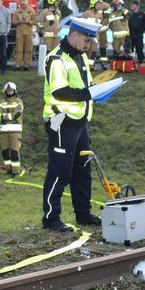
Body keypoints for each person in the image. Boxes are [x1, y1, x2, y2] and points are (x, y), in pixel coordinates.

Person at [42, 17, 100, 231]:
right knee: (60, 172)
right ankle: (50, 219)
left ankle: (83, 214)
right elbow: (59, 92)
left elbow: (85, 84)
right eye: (86, 40)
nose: (89, 45)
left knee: (82, 171)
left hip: (80, 121)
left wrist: (97, 89)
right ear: (74, 35)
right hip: (61, 121)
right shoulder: (56, 59)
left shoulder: (80, 56)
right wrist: (89, 93)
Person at [0, 82, 24, 175]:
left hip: (15, 131)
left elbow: (17, 114)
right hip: (4, 131)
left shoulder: (18, 101)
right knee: (4, 152)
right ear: (5, 91)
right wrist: (6, 116)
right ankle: (8, 169)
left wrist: (4, 116)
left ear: (14, 91)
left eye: (11, 90)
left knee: (14, 152)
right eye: (8, 90)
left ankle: (16, 171)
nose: (9, 92)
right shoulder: (1, 102)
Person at [12, 0, 36, 70]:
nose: (23, 5)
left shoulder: (31, 10)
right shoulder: (17, 11)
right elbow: (13, 21)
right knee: (19, 49)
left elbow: (35, 21)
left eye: (25, 4)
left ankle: (26, 65)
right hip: (20, 32)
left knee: (28, 48)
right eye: (22, 4)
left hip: (29, 31)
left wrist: (29, 22)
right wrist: (19, 21)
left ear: (27, 3)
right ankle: (18, 65)